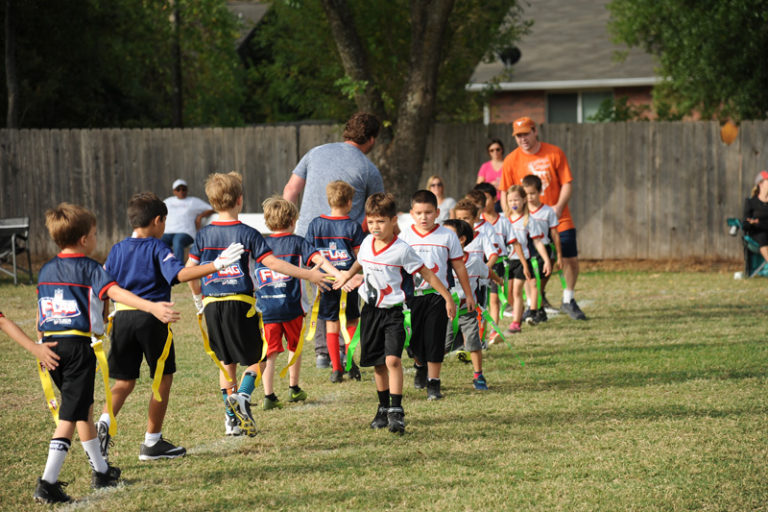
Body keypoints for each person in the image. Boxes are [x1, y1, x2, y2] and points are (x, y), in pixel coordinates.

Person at [33, 203, 179, 504]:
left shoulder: (46, 269)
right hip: (77, 349)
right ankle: (47, 482)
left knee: (84, 410)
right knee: (70, 416)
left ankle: (102, 471)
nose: (97, 238)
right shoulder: (90, 269)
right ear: (85, 239)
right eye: (96, 233)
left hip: (50, 347)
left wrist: (40, 342)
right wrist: (152, 306)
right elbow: (115, 293)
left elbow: (41, 313)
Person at [96, 192, 244, 461]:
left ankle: (105, 419)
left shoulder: (116, 249)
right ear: (157, 221)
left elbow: (105, 288)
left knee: (124, 381)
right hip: (154, 318)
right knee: (162, 379)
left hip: (123, 320)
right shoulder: (157, 247)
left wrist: (104, 317)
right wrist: (217, 265)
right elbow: (179, 274)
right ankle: (152, 442)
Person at [186, 172, 331, 437]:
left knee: (226, 364)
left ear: (212, 201)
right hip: (241, 304)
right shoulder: (247, 233)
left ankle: (231, 421)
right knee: (257, 359)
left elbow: (191, 271)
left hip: (211, 305)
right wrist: (309, 274)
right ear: (240, 200)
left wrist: (198, 299)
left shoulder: (203, 235)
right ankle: (243, 396)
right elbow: (272, 263)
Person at [333, 193, 455, 435]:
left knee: (393, 360)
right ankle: (382, 408)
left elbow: (428, 274)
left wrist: (447, 297)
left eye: (380, 221)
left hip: (395, 313)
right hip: (370, 312)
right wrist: (347, 275)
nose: (375, 227)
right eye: (370, 221)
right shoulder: (367, 243)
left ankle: (396, 411)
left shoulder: (402, 250)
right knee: (378, 364)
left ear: (392, 221)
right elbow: (360, 262)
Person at [283, 112, 384, 367]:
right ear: (371, 139)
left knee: (322, 291)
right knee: (347, 297)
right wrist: (354, 234)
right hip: (345, 243)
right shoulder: (368, 168)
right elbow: (375, 210)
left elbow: (291, 191)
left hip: (308, 236)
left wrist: (287, 227)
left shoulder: (315, 152)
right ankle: (344, 355)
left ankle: (323, 353)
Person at [255, 196, 342, 410]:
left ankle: (269, 395)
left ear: (267, 221)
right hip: (293, 307)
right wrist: (338, 274)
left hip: (266, 308)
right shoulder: (299, 242)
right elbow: (319, 260)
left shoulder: (261, 245)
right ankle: (294, 388)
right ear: (294, 220)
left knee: (270, 352)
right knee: (295, 347)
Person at [500, 117, 586, 320]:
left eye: (526, 134)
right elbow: (505, 191)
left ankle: (568, 299)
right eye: (518, 136)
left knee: (568, 259)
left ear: (535, 131)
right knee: (533, 262)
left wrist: (558, 207)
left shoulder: (554, 152)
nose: (523, 139)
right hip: (527, 221)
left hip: (556, 216)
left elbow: (567, 183)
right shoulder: (511, 160)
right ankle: (536, 300)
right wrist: (509, 215)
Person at [400, 189, 474, 400]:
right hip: (412, 296)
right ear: (412, 213)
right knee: (414, 341)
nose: (424, 217)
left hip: (438, 296)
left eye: (429, 212)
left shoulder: (447, 235)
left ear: (437, 212)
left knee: (435, 338)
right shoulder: (405, 236)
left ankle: (434, 383)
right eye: (419, 213)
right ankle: (419, 365)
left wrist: (468, 295)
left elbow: (459, 267)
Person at [305, 181, 365, 383]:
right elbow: (360, 257)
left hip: (326, 282)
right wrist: (352, 275)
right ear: (349, 202)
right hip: (348, 282)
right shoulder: (353, 226)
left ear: (328, 200)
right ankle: (349, 363)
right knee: (351, 322)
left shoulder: (315, 224)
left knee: (331, 323)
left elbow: (310, 253)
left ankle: (336, 369)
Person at [442, 219, 502, 390]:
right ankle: (431, 376)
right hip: (446, 312)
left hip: (467, 311)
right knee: (444, 347)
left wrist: (499, 280)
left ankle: (479, 375)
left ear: (461, 240)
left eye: (448, 235)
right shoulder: (440, 261)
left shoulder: (474, 261)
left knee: (473, 343)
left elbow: (488, 272)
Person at [504, 186, 549, 334]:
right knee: (507, 293)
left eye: (516, 199)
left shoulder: (529, 220)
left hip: (523, 262)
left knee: (517, 291)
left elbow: (537, 242)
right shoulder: (505, 220)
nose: (513, 202)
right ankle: (521, 311)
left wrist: (547, 260)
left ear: (524, 200)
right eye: (510, 200)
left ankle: (516, 323)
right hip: (506, 262)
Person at [474, 182, 512, 337]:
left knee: (494, 299)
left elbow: (509, 244)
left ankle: (494, 330)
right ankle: (478, 333)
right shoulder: (473, 222)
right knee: (480, 302)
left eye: (486, 198)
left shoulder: (501, 222)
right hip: (478, 266)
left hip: (495, 265)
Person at [522, 174, 562, 324]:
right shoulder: (522, 212)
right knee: (528, 279)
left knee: (537, 282)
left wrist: (558, 255)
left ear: (539, 192)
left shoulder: (548, 211)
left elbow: (554, 234)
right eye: (526, 194)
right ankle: (535, 308)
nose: (530, 197)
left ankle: (535, 309)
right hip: (527, 249)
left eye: (533, 193)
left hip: (542, 249)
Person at [161, 178, 214, 260]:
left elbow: (211, 209)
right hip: (168, 232)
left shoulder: (193, 201)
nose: (181, 191)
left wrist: (200, 216)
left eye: (183, 189)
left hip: (186, 232)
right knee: (159, 241)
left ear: (187, 190)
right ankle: (163, 266)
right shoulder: (168, 201)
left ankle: (178, 269)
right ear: (174, 191)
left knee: (177, 241)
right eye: (178, 189)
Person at [744, 170, 768, 263]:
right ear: (760, 184)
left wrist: (760, 223)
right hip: (757, 234)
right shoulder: (751, 202)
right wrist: (751, 223)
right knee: (763, 236)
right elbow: (745, 224)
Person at [476, 138, 505, 211]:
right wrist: (490, 185)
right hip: (489, 201)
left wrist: (502, 185)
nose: (495, 152)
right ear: (489, 152)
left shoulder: (507, 165)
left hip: (505, 199)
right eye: (492, 150)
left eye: (497, 149)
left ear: (502, 150)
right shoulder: (485, 166)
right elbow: (479, 185)